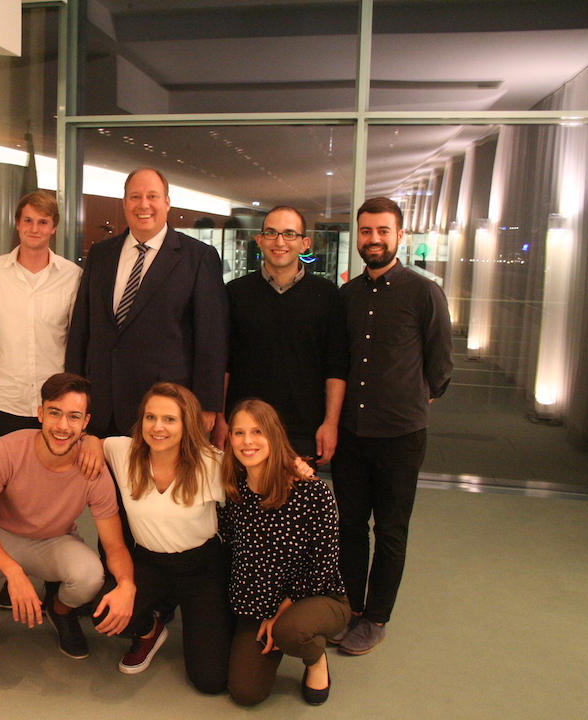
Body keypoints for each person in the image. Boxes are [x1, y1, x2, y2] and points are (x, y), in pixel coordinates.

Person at [330, 196, 453, 655]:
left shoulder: (425, 292)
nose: (374, 239)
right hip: (351, 435)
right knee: (350, 527)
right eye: (366, 231)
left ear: (401, 236)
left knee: (392, 531)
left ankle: (376, 617)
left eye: (383, 231)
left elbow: (440, 366)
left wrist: (415, 399)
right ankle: (350, 610)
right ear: (358, 237)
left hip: (401, 436)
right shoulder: (346, 296)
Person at [0, 373, 136, 664]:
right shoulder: (8, 449)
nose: (62, 426)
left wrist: (127, 584)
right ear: (40, 414)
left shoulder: (93, 469)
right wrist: (14, 573)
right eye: (54, 413)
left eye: (74, 417)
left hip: (54, 540)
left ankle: (59, 610)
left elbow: (114, 546)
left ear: (86, 422)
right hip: (1, 536)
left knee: (90, 576)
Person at [84, 382, 231, 693]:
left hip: (201, 568)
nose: (158, 427)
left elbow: (259, 478)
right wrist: (93, 444)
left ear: (187, 423)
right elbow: (93, 440)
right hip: (150, 562)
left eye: (169, 419)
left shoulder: (211, 463)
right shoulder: (124, 452)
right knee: (104, 614)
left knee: (210, 680)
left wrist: (296, 468)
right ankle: (152, 629)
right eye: (150, 418)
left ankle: (201, 617)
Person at [65, 167, 228, 439]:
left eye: (152, 196)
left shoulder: (198, 257)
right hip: (102, 408)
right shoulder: (101, 254)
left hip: (165, 411)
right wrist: (72, 392)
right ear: (125, 202)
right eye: (135, 196)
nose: (144, 205)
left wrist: (208, 406)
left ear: (167, 202)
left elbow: (211, 339)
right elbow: (81, 329)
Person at [219, 398, 350, 707]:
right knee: (246, 692)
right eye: (238, 433)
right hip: (259, 601)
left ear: (274, 436)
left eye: (257, 432)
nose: (247, 441)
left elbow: (324, 564)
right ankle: (285, 631)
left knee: (291, 631)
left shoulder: (311, 491)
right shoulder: (234, 489)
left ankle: (315, 659)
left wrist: (281, 612)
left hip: (317, 595)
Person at [217, 206, 348, 463]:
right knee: (242, 502)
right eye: (271, 233)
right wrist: (220, 418)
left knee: (296, 503)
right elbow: (223, 363)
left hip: (302, 430)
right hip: (244, 428)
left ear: (304, 243)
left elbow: (336, 366)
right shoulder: (234, 293)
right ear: (260, 240)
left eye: (289, 234)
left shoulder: (328, 295)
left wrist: (331, 424)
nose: (279, 242)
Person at [0, 190, 82, 438]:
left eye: (43, 222)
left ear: (53, 228)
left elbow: (80, 340)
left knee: (55, 475)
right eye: (28, 220)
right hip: (8, 401)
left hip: (57, 403)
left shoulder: (72, 276)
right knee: (11, 475)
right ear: (17, 224)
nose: (34, 228)